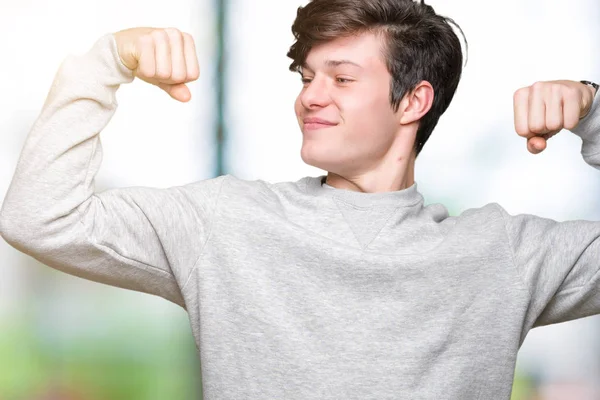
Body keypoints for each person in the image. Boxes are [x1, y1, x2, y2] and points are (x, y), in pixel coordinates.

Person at [0, 0, 598, 398]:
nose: (311, 96)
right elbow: (41, 217)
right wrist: (106, 63)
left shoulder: (500, 254)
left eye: (340, 78)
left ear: (413, 101)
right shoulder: (225, 223)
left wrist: (592, 111)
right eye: (307, 77)